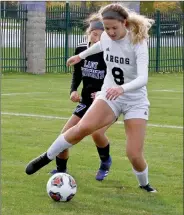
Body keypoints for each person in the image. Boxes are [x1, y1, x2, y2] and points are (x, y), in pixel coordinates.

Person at [26, 3, 157, 193]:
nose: (110, 32)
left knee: (133, 154)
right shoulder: (105, 36)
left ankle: (144, 184)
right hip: (109, 95)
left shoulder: (138, 41)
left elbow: (143, 78)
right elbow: (99, 46)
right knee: (83, 128)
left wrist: (122, 88)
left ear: (125, 23)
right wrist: (80, 56)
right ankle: (46, 157)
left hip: (134, 100)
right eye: (106, 28)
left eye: (114, 28)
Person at [50, 14, 112, 181]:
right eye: (94, 32)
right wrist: (73, 90)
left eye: (101, 33)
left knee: (97, 134)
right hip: (86, 102)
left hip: (106, 103)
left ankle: (105, 163)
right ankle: (61, 171)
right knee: (64, 135)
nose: (96, 36)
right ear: (88, 33)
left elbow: (115, 78)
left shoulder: (109, 52)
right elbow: (77, 74)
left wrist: (102, 93)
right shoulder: (80, 50)